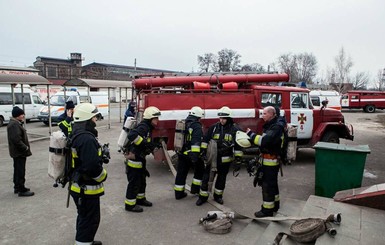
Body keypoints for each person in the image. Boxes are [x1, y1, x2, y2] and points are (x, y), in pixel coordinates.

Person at [69, 103, 108, 245]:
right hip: (85, 188)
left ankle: (86, 241)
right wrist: (103, 175)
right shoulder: (86, 139)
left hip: (78, 186)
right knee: (89, 220)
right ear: (88, 118)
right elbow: (92, 167)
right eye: (94, 118)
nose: (95, 120)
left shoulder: (77, 133)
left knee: (84, 216)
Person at [196, 106, 243, 206]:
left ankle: (218, 196)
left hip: (225, 160)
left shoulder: (235, 129)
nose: (221, 120)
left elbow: (239, 146)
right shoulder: (213, 128)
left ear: (229, 118)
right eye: (220, 118)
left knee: (221, 179)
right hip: (212, 158)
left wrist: (238, 160)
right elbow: (205, 140)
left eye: (224, 118)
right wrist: (203, 152)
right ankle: (203, 197)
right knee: (206, 178)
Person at [246, 106, 285, 218]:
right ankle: (275, 205)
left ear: (271, 114)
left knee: (267, 185)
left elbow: (265, 141)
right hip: (269, 160)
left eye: (264, 113)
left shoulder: (276, 127)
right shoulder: (272, 125)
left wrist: (251, 135)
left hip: (270, 161)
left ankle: (267, 211)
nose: (262, 115)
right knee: (273, 184)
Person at [124, 106, 161, 212]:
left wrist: (152, 145)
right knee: (134, 183)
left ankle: (140, 199)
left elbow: (144, 141)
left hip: (140, 159)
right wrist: (148, 144)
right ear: (150, 118)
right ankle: (130, 205)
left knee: (141, 181)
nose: (157, 120)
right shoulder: (144, 126)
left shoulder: (148, 127)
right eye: (156, 118)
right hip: (134, 160)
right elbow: (132, 135)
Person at [174, 106, 206, 200]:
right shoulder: (196, 125)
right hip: (191, 153)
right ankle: (195, 189)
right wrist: (196, 157)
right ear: (198, 117)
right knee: (200, 170)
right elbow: (196, 141)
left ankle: (178, 193)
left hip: (181, 153)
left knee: (181, 173)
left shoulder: (184, 122)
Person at [7, 106, 34, 197]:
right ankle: (21, 190)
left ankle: (17, 187)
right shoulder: (14, 125)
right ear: (17, 115)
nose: (23, 116)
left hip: (17, 152)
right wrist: (25, 148)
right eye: (22, 114)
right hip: (19, 153)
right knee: (20, 171)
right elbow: (16, 140)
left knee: (17, 170)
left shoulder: (15, 123)